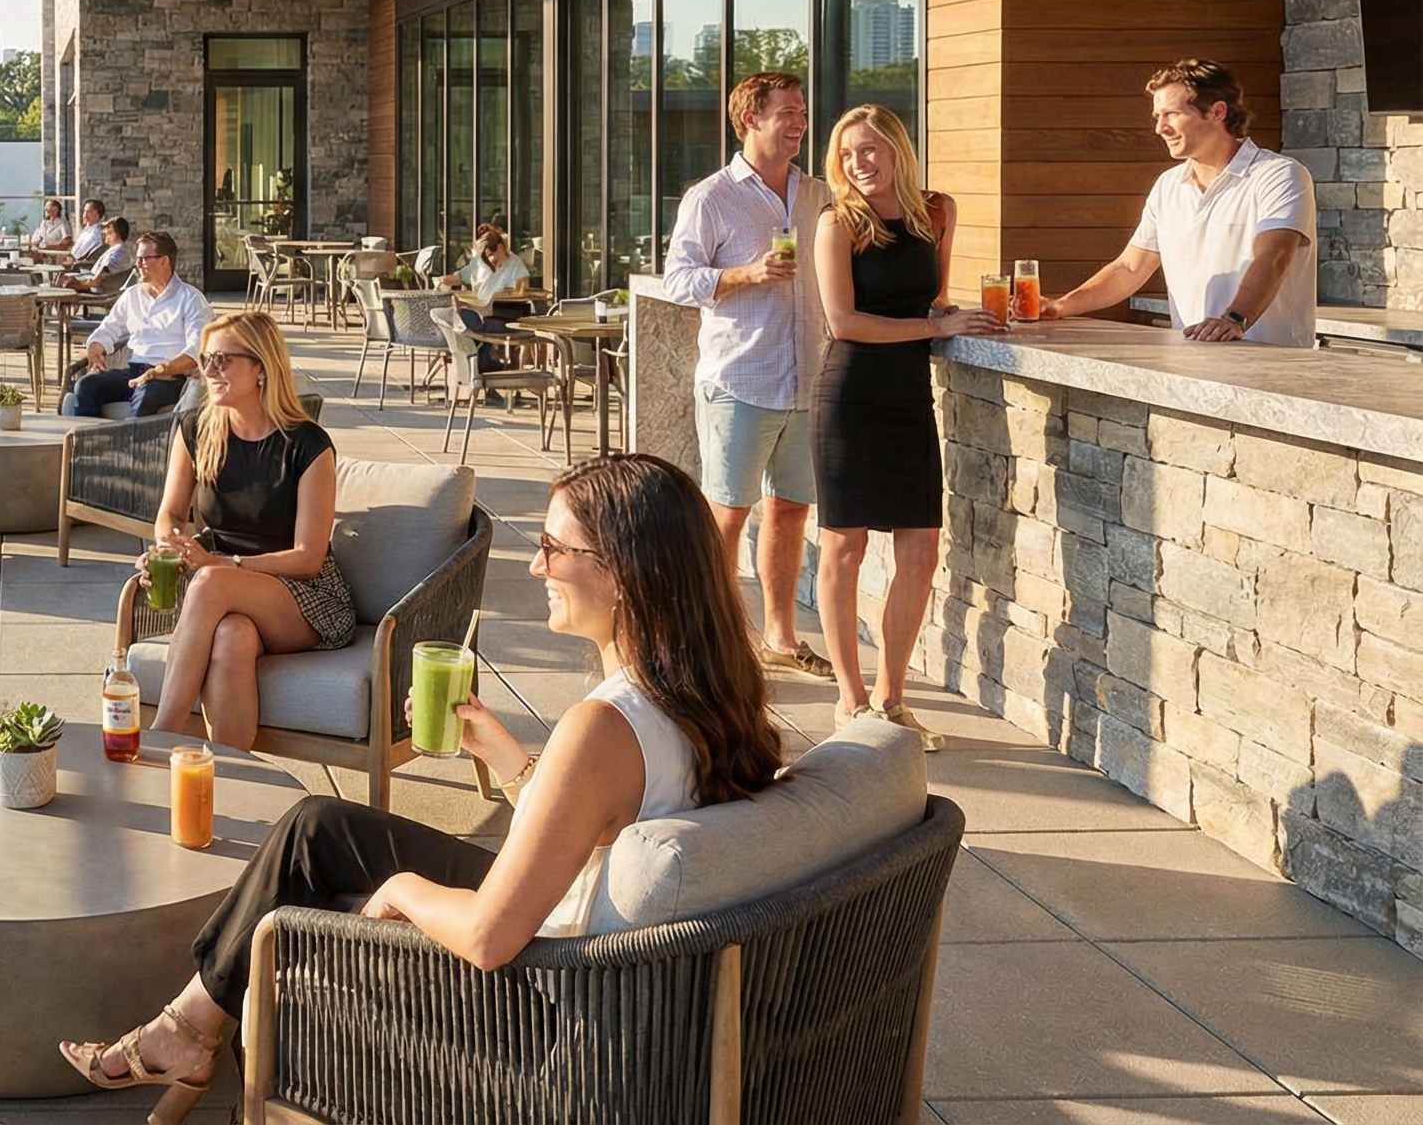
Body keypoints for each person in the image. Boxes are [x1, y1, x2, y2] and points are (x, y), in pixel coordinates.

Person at [59, 454, 783, 1121]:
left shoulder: (603, 727)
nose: (534, 568)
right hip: (600, 944)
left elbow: (490, 936)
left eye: (555, 549)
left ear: (624, 573)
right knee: (318, 829)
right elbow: (607, 820)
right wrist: (507, 757)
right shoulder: (709, 689)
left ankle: (189, 1034)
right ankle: (186, 1025)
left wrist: (402, 889)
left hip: (549, 984)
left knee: (319, 903)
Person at [811, 107, 998, 753]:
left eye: (870, 150)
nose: (859, 163)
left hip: (908, 398)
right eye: (848, 153)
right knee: (843, 549)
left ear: (897, 150)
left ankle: (892, 700)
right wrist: (935, 328)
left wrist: (963, 316)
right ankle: (850, 700)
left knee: (919, 550)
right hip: (851, 395)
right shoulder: (837, 225)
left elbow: (932, 298)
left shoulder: (936, 212)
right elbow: (844, 322)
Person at [660, 71, 836, 683]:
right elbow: (679, 280)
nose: (800, 122)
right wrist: (747, 274)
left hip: (807, 382)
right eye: (787, 111)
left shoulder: (818, 195)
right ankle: (720, 643)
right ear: (749, 121)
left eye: (803, 111)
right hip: (740, 380)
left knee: (789, 511)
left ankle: (781, 638)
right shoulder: (710, 197)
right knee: (727, 516)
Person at [142, 312, 348, 749]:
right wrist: (168, 547)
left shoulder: (307, 444)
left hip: (303, 595)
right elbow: (171, 515)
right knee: (233, 636)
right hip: (220, 585)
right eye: (205, 359)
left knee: (214, 581)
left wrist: (225, 564)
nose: (209, 371)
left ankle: (161, 735)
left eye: (222, 360)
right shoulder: (196, 428)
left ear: (260, 367)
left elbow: (309, 557)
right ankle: (234, 776)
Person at [1040, 60, 1316, 346]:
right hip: (1192, 362)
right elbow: (1130, 269)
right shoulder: (1168, 186)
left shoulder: (1279, 175)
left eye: (1171, 114)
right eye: (1157, 116)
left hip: (1272, 364)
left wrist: (1234, 319)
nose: (1160, 128)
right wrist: (1061, 306)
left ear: (1217, 111)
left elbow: (1274, 257)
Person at [64, 231, 210, 419]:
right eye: (138, 258)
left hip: (170, 378)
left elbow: (196, 350)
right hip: (134, 372)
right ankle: (90, 443)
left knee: (146, 392)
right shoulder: (132, 295)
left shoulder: (190, 299)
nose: (138, 264)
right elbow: (110, 327)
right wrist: (95, 345)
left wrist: (159, 371)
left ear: (164, 261)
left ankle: (131, 445)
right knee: (86, 386)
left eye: (144, 259)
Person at [439, 225, 535, 372]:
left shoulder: (516, 267)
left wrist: (500, 295)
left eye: (493, 253)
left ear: (501, 246)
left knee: (468, 325)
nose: (491, 258)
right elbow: (463, 276)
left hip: (507, 315)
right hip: (488, 313)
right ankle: (483, 369)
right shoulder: (484, 264)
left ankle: (480, 370)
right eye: (487, 255)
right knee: (467, 328)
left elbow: (521, 293)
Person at [62, 216, 132, 292]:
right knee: (63, 280)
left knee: (66, 285)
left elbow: (99, 279)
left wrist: (79, 284)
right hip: (94, 283)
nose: (105, 234)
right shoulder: (117, 248)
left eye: (109, 233)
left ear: (117, 235)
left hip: (99, 290)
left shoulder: (119, 252)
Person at [68, 200, 110, 269]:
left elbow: (79, 255)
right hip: (73, 263)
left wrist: (70, 259)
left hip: (81, 267)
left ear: (98, 214)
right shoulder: (86, 230)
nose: (85, 215)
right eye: (84, 211)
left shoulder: (96, 233)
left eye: (89, 212)